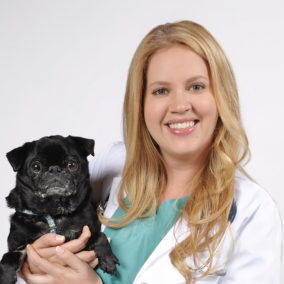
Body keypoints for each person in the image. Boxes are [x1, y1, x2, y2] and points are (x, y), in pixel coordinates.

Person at [19, 20, 282, 284]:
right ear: (141, 104)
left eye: (196, 86)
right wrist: (33, 262)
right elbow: (33, 216)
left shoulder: (252, 210)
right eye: (161, 90)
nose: (179, 105)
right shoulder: (109, 167)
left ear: (221, 96)